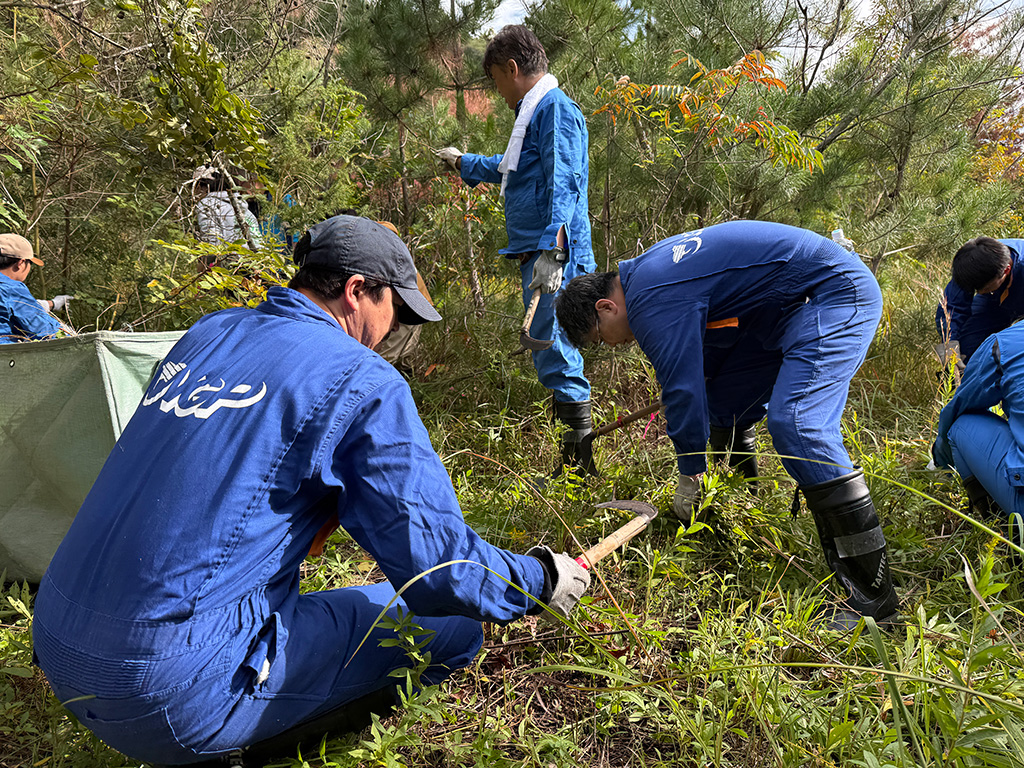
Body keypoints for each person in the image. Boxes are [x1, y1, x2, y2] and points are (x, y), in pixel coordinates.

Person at [32, 216, 590, 766]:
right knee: (453, 624)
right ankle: (253, 738)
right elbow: (439, 572)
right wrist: (541, 578)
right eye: (394, 312)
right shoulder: (359, 378)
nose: (392, 333)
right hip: (169, 690)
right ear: (356, 292)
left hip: (57, 644)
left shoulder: (208, 333)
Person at [555, 220, 900, 626]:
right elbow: (711, 349)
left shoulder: (649, 296)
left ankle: (874, 599)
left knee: (798, 424)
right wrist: (699, 380)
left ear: (605, 307)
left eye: (600, 338)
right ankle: (743, 504)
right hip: (782, 312)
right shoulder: (648, 278)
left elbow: (682, 392)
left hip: (832, 295)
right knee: (724, 403)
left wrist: (690, 474)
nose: (613, 345)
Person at [435, 25, 597, 477]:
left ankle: (578, 472)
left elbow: (565, 182)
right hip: (541, 252)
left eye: (495, 80)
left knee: (554, 347)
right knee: (551, 350)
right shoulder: (533, 113)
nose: (497, 91)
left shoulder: (554, 110)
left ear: (512, 68)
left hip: (554, 255)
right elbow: (514, 170)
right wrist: (463, 162)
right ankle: (571, 461)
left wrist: (554, 253)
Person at [932, 320, 1024, 558]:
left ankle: (1010, 538)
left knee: (961, 425)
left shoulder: (1005, 342)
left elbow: (957, 411)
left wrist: (939, 460)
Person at [936, 237, 1024, 365]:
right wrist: (949, 343)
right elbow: (951, 307)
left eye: (985, 288)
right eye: (975, 290)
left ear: (1006, 270)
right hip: (994, 299)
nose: (979, 293)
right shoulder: (971, 265)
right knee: (967, 346)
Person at [0, 233, 71, 344]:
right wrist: (69, 333)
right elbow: (46, 332)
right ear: (21, 263)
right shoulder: (12, 288)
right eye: (30, 264)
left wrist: (52, 304)